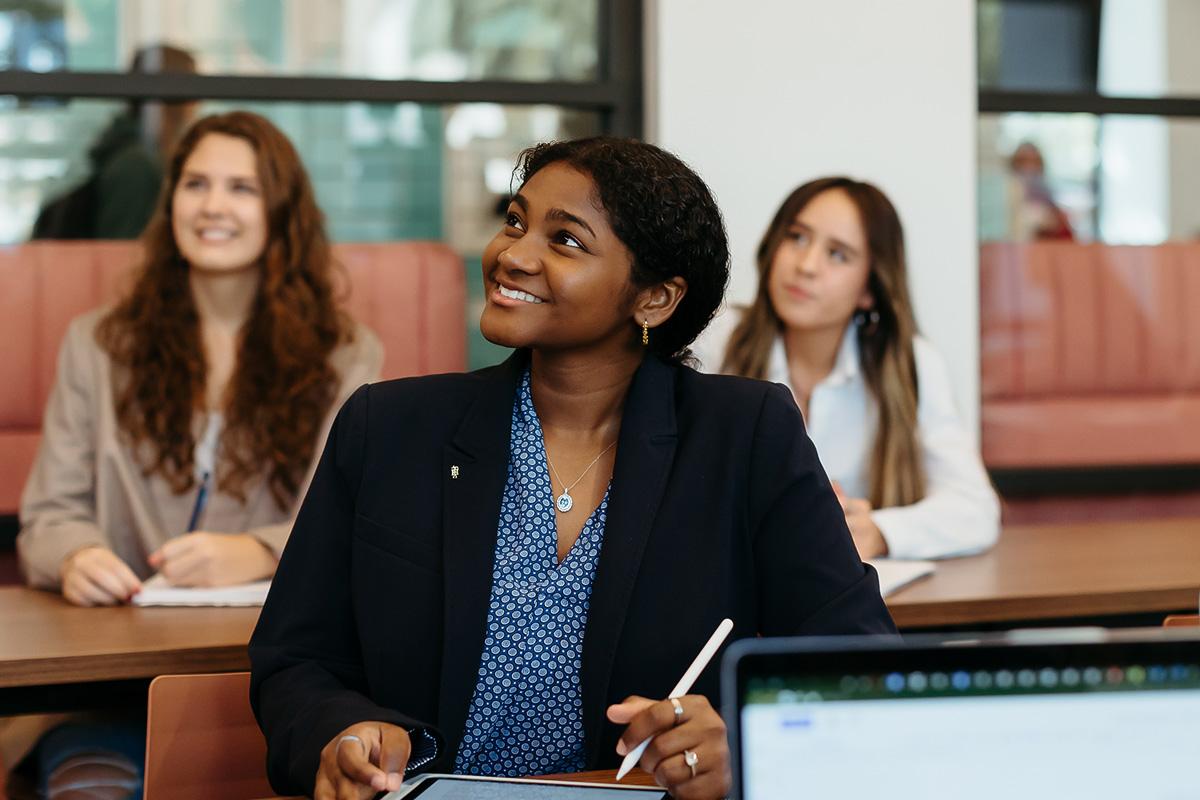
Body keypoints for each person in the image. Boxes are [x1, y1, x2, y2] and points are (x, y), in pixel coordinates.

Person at [249, 138, 896, 800]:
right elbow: (297, 659)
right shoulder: (388, 429)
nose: (513, 256)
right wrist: (343, 733)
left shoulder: (745, 434)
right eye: (515, 222)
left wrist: (747, 739)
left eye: (565, 242)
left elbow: (859, 664)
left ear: (654, 299)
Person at [11, 110, 382, 797]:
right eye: (195, 184)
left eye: (241, 188)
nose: (213, 205)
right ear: (171, 201)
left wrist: (262, 550)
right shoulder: (96, 344)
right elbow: (50, 513)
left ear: (282, 210)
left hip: (270, 685)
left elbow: (360, 529)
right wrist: (74, 555)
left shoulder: (347, 356)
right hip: (111, 679)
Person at [694, 177, 999, 561]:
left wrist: (876, 532)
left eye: (837, 254)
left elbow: (975, 509)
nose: (805, 266)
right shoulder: (717, 340)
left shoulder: (910, 363)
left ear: (870, 288)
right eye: (797, 237)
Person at [33, 44, 200, 240]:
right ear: (179, 97)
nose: (198, 103)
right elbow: (120, 253)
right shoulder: (137, 166)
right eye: (194, 89)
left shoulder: (134, 153)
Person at [1007, 141, 1074, 241]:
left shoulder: (1044, 186)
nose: (1029, 166)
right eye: (1023, 161)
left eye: (1034, 161)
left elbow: (1056, 216)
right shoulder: (1010, 188)